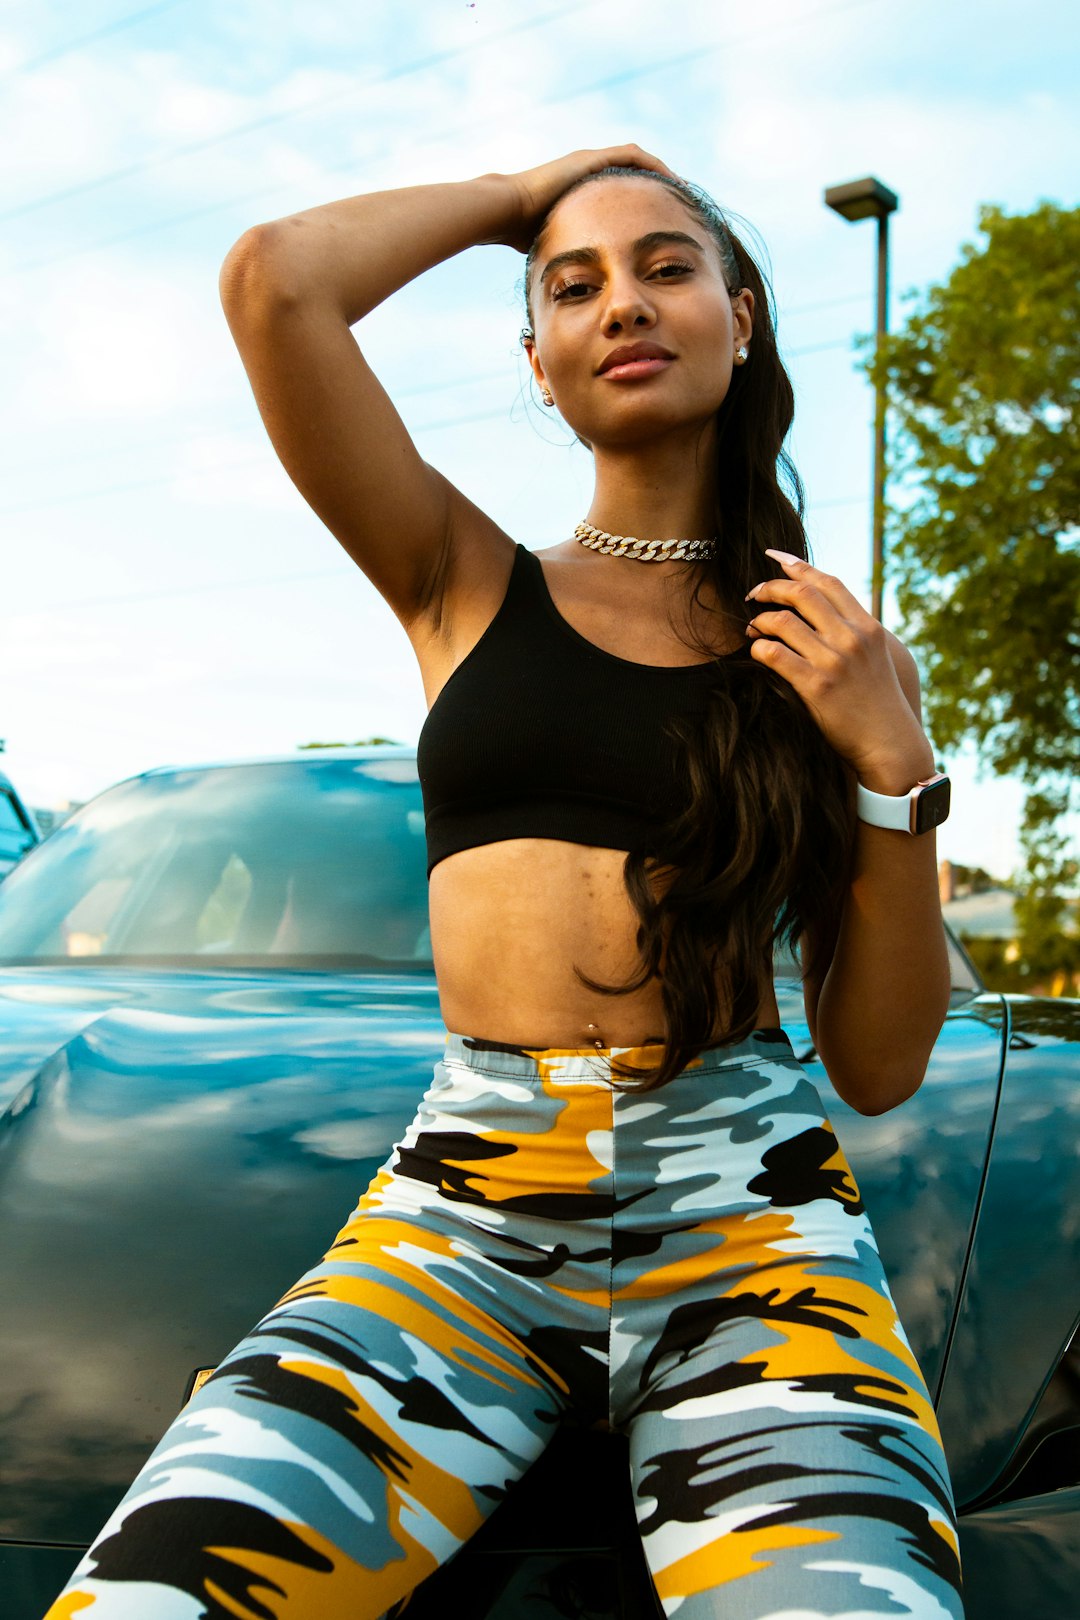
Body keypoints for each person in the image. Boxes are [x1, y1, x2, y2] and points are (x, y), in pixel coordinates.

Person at [44, 145, 965, 1619]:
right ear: (535, 362)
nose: (623, 305)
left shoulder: (832, 654)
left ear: (744, 316)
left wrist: (892, 765)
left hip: (752, 1222)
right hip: (462, 1214)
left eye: (667, 267)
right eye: (573, 289)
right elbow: (277, 283)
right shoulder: (465, 579)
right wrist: (540, 186)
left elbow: (878, 1061)